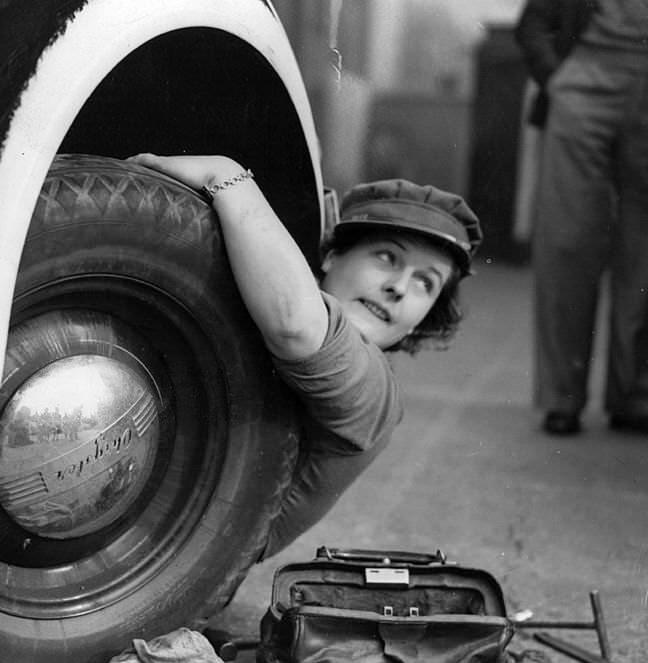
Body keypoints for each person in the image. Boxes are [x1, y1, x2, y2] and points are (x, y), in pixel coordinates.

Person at [128, 154, 481, 559]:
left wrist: (227, 176)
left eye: (425, 283)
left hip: (163, 563)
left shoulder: (376, 393)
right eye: (387, 257)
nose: (399, 287)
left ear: (420, 321)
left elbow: (296, 325)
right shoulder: (270, 290)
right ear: (332, 257)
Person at [516, 0, 648, 436]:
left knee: (644, 249)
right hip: (585, 79)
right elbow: (533, 21)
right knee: (567, 239)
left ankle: (635, 394)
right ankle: (561, 397)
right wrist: (558, 79)